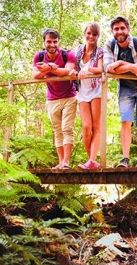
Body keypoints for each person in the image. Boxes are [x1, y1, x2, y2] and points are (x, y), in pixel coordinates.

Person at [103, 16, 137, 168]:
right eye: (116, 29)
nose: (119, 31)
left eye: (122, 28)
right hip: (125, 88)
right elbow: (108, 69)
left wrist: (119, 64)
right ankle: (125, 159)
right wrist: (130, 66)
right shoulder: (109, 45)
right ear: (112, 31)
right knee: (126, 121)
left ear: (128, 29)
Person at [32, 28, 77, 169]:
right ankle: (60, 161)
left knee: (66, 129)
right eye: (49, 42)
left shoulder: (67, 54)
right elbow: (35, 75)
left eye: (55, 41)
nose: (52, 45)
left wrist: (48, 69)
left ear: (59, 42)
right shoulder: (39, 56)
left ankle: (66, 162)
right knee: (57, 130)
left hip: (70, 96)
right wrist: (51, 68)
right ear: (44, 42)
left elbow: (67, 71)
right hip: (51, 98)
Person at [71, 23, 103, 170]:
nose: (91, 36)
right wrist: (72, 72)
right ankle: (90, 160)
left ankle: (91, 160)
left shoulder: (100, 51)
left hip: (96, 91)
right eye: (89, 33)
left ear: (98, 36)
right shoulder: (77, 51)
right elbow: (71, 66)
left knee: (96, 127)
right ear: (84, 33)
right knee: (86, 127)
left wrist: (88, 68)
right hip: (82, 92)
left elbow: (101, 69)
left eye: (95, 34)